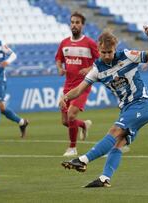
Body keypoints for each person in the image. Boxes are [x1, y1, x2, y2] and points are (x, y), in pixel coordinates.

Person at [60, 26, 148, 188]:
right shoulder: (97, 69)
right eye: (103, 52)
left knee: (114, 131)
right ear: (98, 49)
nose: (107, 56)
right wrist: (65, 97)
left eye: (110, 52)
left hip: (141, 104)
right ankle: (104, 178)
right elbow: (79, 90)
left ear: (115, 49)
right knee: (118, 143)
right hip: (127, 109)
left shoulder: (127, 56)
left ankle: (82, 160)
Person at [55, 12, 99, 157]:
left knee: (71, 115)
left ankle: (72, 148)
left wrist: (89, 69)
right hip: (68, 85)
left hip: (83, 86)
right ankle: (83, 125)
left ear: (82, 25)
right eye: (72, 22)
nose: (74, 24)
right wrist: (60, 68)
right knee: (65, 121)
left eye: (77, 22)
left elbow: (100, 61)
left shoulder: (89, 43)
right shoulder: (64, 43)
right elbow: (59, 59)